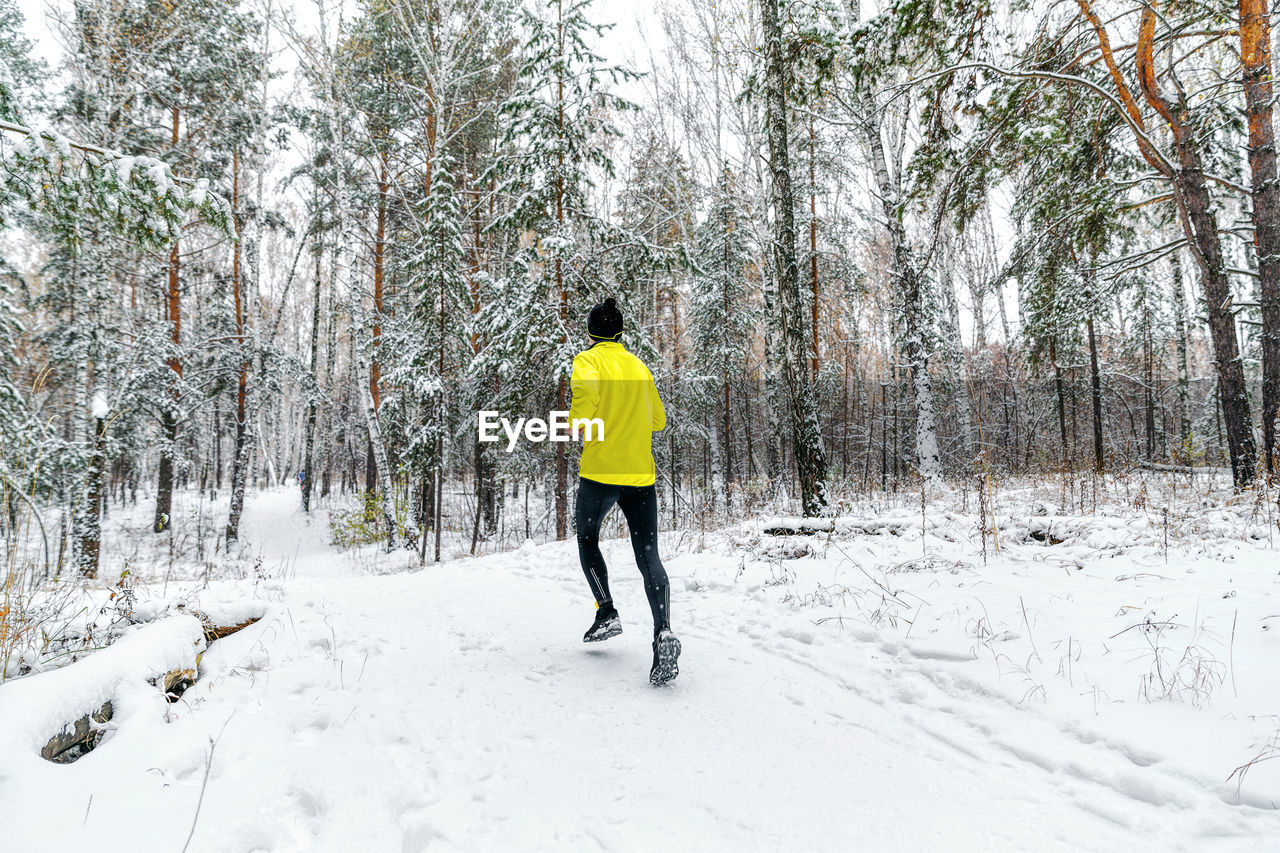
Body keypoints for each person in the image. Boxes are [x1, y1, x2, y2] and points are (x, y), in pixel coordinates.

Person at [568, 297, 681, 685]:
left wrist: (578, 425)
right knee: (649, 557)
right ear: (620, 333)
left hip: (600, 473)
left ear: (590, 333)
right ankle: (662, 630)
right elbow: (658, 420)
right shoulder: (639, 366)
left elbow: (582, 412)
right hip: (640, 477)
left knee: (587, 539)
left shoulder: (587, 362)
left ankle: (606, 611)